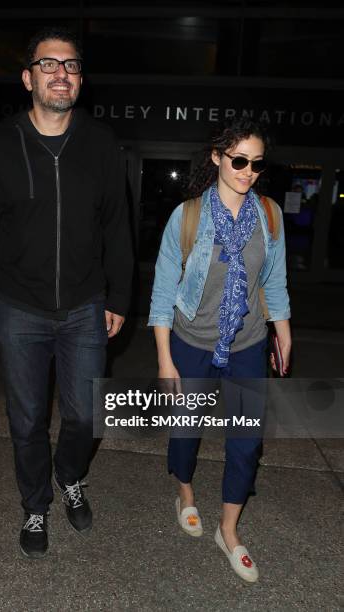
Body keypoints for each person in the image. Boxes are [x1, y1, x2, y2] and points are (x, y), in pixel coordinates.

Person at [0, 26, 133, 558]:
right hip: (19, 309)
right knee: (27, 420)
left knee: (86, 416)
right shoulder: (0, 145)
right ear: (28, 77)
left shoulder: (101, 145)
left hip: (84, 306)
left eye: (71, 65)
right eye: (50, 64)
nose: (62, 73)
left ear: (80, 79)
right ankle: (35, 507)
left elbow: (117, 229)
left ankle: (69, 474)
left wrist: (120, 297)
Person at [148, 118, 291, 583]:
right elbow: (163, 291)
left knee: (247, 445)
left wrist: (282, 329)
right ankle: (185, 494)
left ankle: (228, 530)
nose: (249, 171)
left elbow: (274, 280)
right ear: (216, 157)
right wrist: (165, 359)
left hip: (248, 345)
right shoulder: (187, 217)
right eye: (239, 160)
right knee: (186, 432)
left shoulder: (269, 215)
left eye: (257, 163)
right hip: (191, 344)